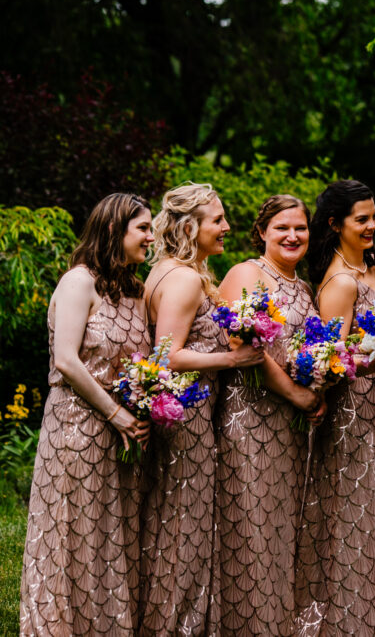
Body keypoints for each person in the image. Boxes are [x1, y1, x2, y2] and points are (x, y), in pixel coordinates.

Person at [20, 194, 154, 635]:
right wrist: (116, 414)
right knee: (72, 531)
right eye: (143, 229)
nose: (151, 237)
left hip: (125, 431)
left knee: (110, 534)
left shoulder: (135, 290)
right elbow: (66, 361)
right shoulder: (79, 282)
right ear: (115, 230)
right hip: (77, 425)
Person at [140, 183, 264, 635]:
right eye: (218, 220)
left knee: (171, 529)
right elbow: (165, 355)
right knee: (184, 535)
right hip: (186, 421)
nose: (227, 227)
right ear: (191, 226)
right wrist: (231, 358)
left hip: (182, 415)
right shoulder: (186, 279)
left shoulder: (166, 271)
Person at [295, 179, 375, 636]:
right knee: (351, 510)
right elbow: (332, 358)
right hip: (351, 410)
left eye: (374, 216)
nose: (372, 225)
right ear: (335, 224)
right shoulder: (339, 283)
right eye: (361, 218)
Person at [215, 195, 325, 635]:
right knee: (249, 529)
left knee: (281, 533)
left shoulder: (304, 287)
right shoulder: (246, 274)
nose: (293, 236)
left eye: (300, 228)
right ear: (261, 232)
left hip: (293, 429)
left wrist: (320, 379)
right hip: (250, 419)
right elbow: (242, 349)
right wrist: (296, 395)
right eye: (282, 228)